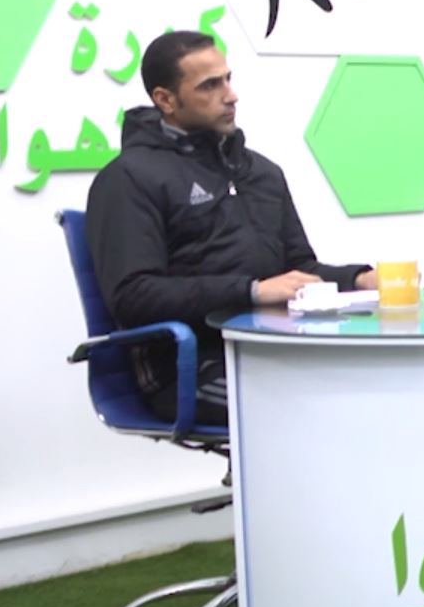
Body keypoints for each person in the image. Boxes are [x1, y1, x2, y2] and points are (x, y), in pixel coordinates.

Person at [87, 31, 376, 426]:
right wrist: (250, 292)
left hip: (272, 350)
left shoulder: (261, 172)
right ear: (165, 100)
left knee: (381, 386)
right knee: (327, 409)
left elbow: (299, 269)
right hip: (188, 366)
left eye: (228, 79)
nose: (230, 96)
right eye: (210, 86)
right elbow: (133, 295)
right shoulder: (129, 178)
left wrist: (358, 279)